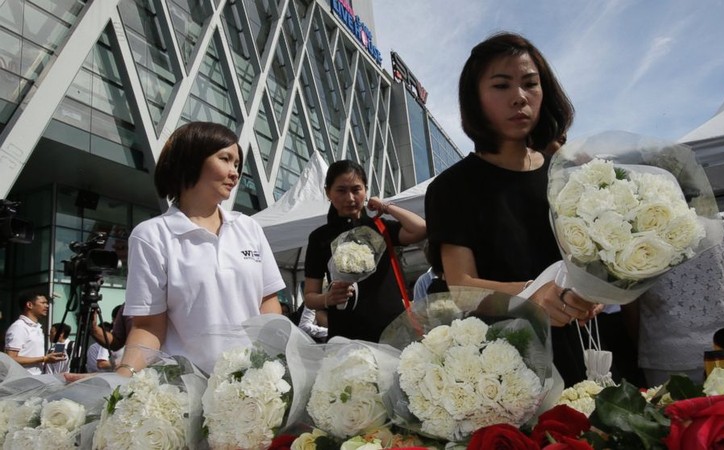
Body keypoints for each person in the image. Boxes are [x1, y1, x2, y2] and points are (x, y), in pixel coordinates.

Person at [424, 32, 596, 387]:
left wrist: (596, 289)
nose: (519, 97)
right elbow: (462, 288)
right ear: (475, 99)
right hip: (506, 363)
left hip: (585, 344)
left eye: (530, 84)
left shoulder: (566, 174)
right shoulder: (452, 188)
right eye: (501, 86)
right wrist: (536, 292)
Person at [114, 121, 286, 376]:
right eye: (225, 159)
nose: (235, 173)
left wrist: (273, 363)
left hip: (254, 385)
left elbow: (268, 303)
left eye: (237, 164)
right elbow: (149, 326)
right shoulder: (151, 235)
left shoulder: (249, 228)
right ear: (191, 160)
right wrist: (121, 379)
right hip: (186, 390)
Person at [626, 218, 724, 386]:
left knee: (674, 410)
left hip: (667, 354)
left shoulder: (634, 243)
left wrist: (641, 345)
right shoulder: (720, 229)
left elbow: (631, 307)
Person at [303, 160, 427, 341]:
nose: (350, 198)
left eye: (356, 189)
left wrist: (386, 206)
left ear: (366, 191)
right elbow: (309, 297)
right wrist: (327, 298)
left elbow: (420, 229)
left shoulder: (381, 227)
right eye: (341, 190)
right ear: (328, 192)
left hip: (393, 329)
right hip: (347, 333)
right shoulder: (319, 238)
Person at [4, 292, 66, 375]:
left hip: (36, 378)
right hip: (22, 381)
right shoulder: (19, 327)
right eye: (43, 303)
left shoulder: (37, 327)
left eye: (47, 303)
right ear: (30, 305)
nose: (47, 306)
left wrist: (48, 358)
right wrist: (44, 359)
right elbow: (11, 359)